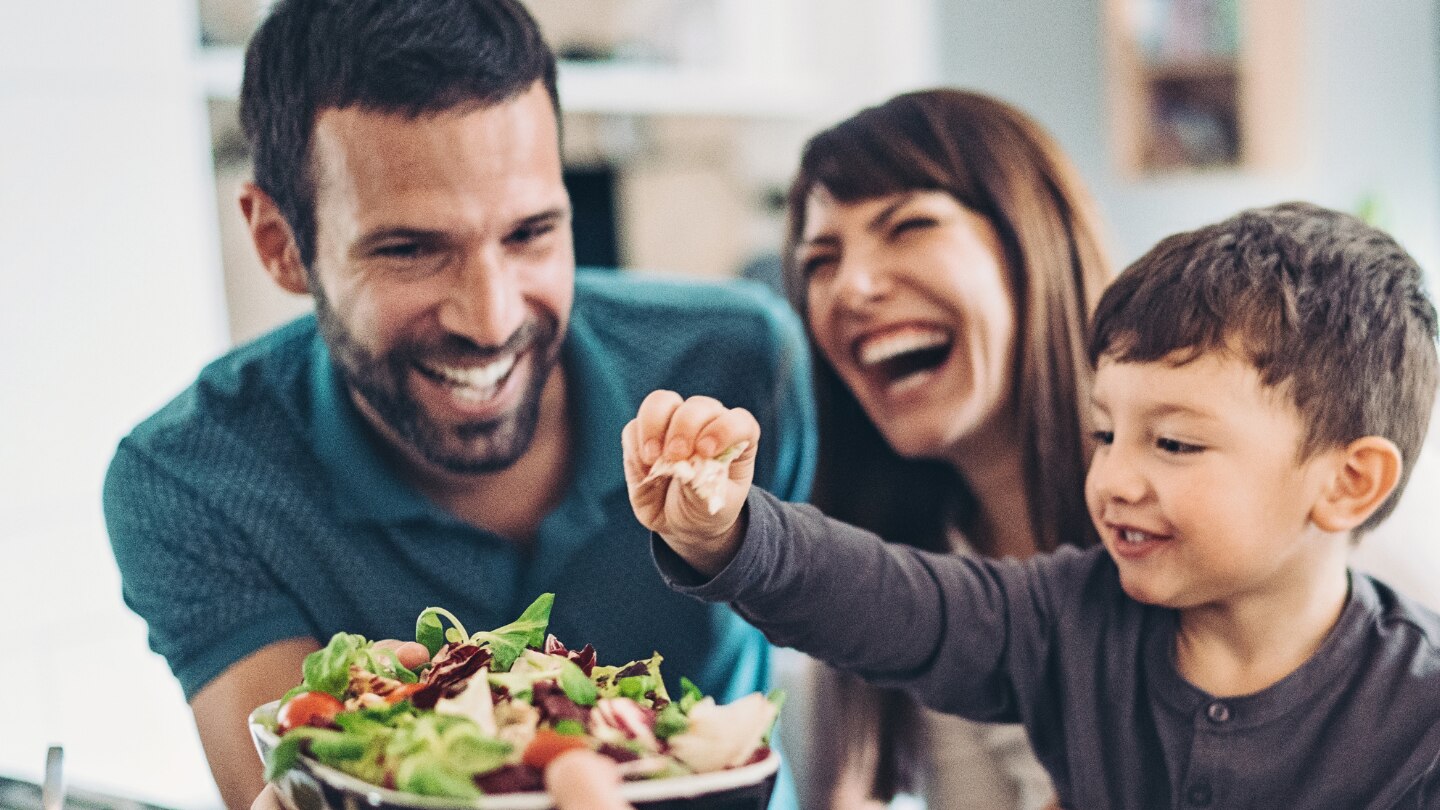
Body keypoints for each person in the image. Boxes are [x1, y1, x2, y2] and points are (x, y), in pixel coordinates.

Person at [101, 1, 813, 807]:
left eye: (531, 233)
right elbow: (314, 778)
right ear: (280, 243)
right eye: (409, 249)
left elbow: (873, 613)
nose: (493, 319)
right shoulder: (193, 480)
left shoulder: (743, 361)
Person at [623, 202, 1440, 807]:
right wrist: (728, 530)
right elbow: (888, 597)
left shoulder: (1418, 712)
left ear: (1348, 483)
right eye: (1105, 432)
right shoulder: (1063, 619)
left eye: (1176, 444)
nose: (1115, 479)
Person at [777, 89, 1111, 809]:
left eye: (909, 225)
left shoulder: (1232, 519)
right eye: (820, 261)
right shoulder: (921, 570)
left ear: (1035, 242)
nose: (852, 288)